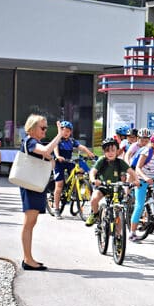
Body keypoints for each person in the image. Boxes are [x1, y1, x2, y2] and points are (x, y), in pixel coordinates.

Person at [19, 115, 63, 271]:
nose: (45, 130)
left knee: (31, 223)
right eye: (43, 128)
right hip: (31, 185)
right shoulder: (30, 141)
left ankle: (28, 258)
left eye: (46, 128)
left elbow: (49, 160)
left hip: (35, 185)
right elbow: (45, 151)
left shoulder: (34, 142)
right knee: (29, 223)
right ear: (32, 128)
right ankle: (27, 259)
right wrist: (59, 135)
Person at [85, 138, 138, 227]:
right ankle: (95, 214)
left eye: (113, 150)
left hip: (117, 189)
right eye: (107, 151)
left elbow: (131, 172)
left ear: (117, 151)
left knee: (118, 213)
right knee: (94, 199)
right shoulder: (102, 160)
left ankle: (118, 237)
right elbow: (93, 171)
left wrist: (137, 180)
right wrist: (94, 180)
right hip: (103, 187)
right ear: (104, 152)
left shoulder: (120, 162)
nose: (110, 153)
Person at [51, 120, 95, 218]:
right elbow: (55, 148)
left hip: (69, 162)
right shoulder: (58, 140)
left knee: (79, 172)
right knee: (59, 185)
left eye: (68, 131)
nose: (65, 133)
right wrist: (58, 156)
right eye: (63, 130)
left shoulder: (72, 141)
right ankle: (57, 209)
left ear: (70, 132)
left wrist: (89, 153)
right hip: (59, 163)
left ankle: (75, 191)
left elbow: (81, 147)